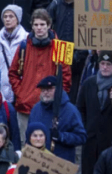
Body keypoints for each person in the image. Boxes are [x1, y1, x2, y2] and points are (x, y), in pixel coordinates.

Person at [8, 9, 71, 140]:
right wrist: (21, 94)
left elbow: (67, 78)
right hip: (25, 107)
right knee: (25, 147)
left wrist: (58, 98)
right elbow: (12, 73)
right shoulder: (23, 46)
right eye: (36, 25)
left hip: (51, 107)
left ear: (49, 25)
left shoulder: (62, 48)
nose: (39, 28)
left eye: (42, 24)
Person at [27, 76, 86, 163]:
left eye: (49, 90)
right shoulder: (36, 109)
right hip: (38, 161)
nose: (46, 93)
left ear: (58, 90)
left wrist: (61, 136)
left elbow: (81, 137)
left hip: (60, 163)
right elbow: (28, 134)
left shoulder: (70, 110)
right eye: (43, 90)